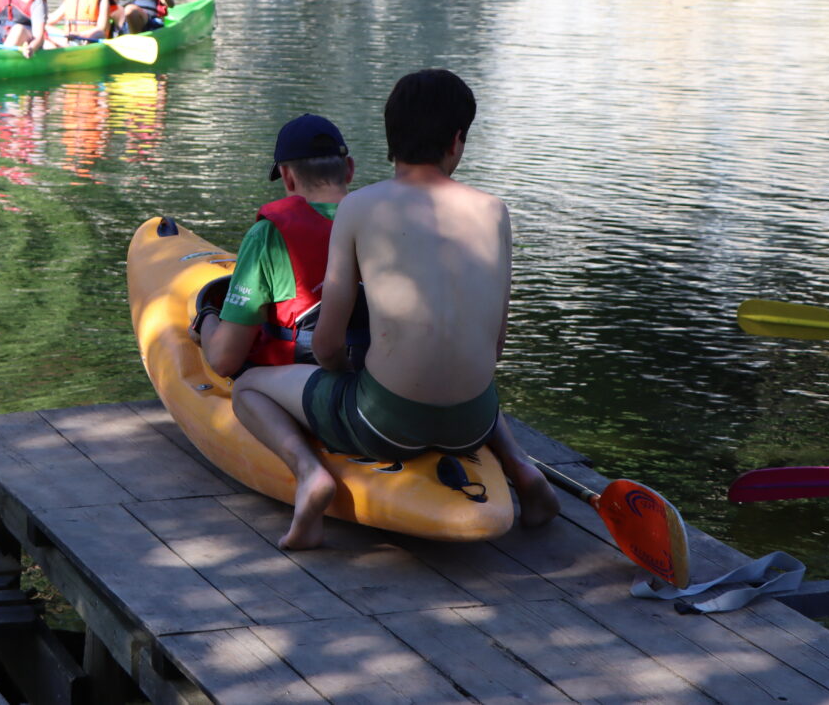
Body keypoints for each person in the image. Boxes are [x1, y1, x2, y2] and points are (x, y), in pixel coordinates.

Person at [230, 70, 560, 550]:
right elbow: (496, 344)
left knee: (247, 387)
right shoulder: (494, 211)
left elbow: (325, 347)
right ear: (456, 140)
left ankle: (308, 476)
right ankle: (522, 469)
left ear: (390, 140)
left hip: (385, 424)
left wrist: (343, 374)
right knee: (464, 369)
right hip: (473, 422)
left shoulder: (360, 208)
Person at [190, 114, 358, 380]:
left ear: (287, 177)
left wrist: (206, 317)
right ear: (349, 169)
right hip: (375, 380)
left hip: (302, 385)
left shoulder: (268, 236)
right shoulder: (384, 224)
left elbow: (224, 361)